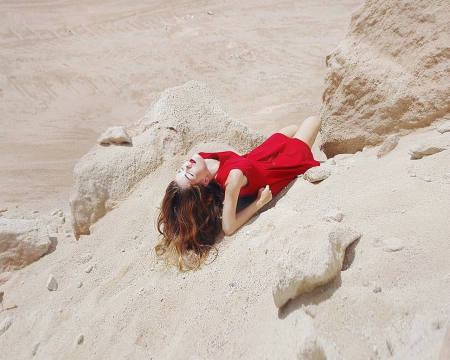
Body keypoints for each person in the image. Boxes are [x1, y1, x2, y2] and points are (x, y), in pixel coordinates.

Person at [156, 116, 322, 271]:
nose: (187, 166)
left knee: (292, 127)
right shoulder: (232, 178)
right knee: (313, 120)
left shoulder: (202, 162)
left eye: (182, 169)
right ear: (205, 181)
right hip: (277, 168)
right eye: (189, 174)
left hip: (257, 157)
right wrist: (259, 202)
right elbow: (228, 227)